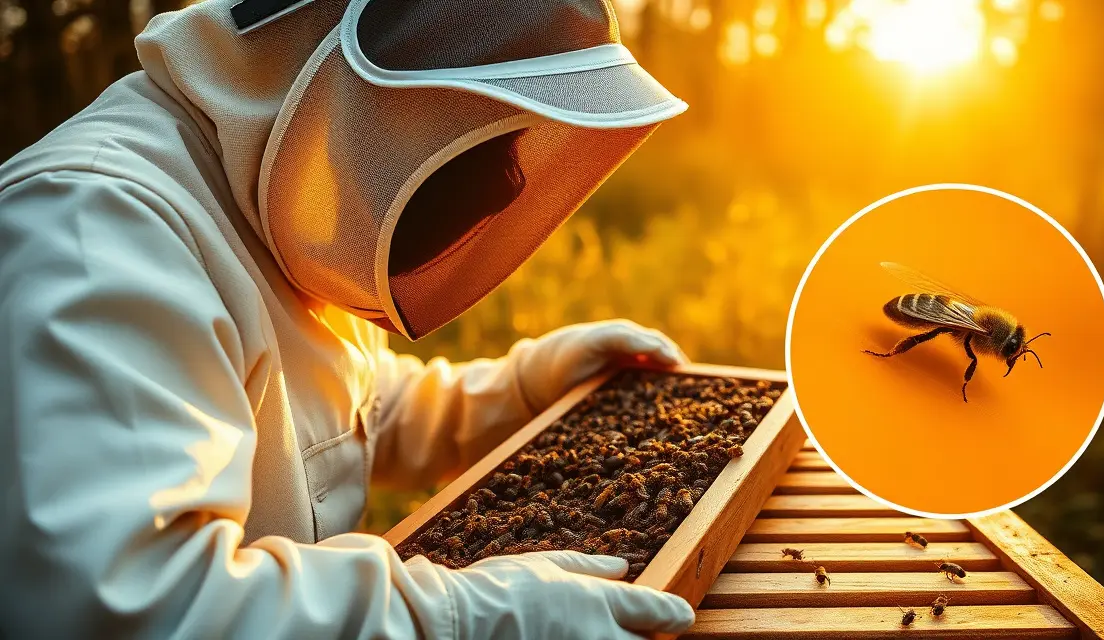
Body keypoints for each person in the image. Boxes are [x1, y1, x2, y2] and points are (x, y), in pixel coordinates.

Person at [0, 1, 696, 637]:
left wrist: (515, 392)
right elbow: (121, 606)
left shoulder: (262, 197)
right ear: (327, 63)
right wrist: (457, 619)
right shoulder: (95, 233)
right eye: (457, 122)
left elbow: (336, 416)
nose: (497, 180)